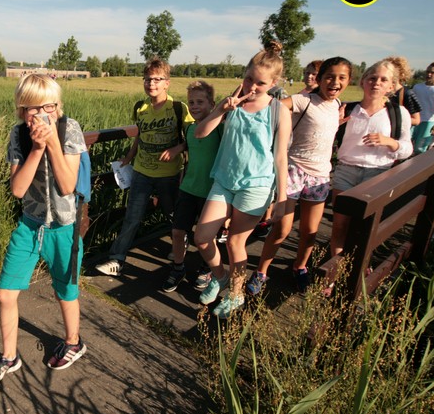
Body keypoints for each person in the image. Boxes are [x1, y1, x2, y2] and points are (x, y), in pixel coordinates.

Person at [0, 74, 87, 385]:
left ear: (58, 106)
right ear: (21, 109)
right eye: (31, 108)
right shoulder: (18, 135)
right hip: (30, 225)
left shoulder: (69, 128)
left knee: (65, 291)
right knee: (5, 293)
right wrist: (37, 149)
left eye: (48, 107)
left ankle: (73, 342)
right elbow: (17, 189)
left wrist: (52, 143)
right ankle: (9, 356)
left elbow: (67, 185)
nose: (40, 115)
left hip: (64, 228)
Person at [192, 42, 291, 318]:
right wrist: (221, 110)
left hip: (256, 185)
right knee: (202, 238)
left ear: (273, 83)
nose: (252, 87)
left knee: (236, 242)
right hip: (225, 179)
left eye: (260, 83)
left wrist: (281, 198)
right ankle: (220, 277)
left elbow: (281, 157)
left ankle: (236, 295)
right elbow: (200, 134)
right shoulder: (232, 103)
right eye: (249, 79)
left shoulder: (278, 111)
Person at [248, 57, 352, 294]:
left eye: (341, 78)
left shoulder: (337, 105)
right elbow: (269, 106)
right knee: (282, 229)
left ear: (348, 81)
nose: (335, 82)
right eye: (329, 77)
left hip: (320, 176)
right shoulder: (302, 100)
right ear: (320, 79)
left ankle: (300, 267)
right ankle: (261, 271)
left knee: (310, 232)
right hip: (294, 170)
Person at [94, 58, 192, 276]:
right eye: (147, 79)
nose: (151, 84)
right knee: (132, 217)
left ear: (167, 83)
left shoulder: (178, 108)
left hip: (169, 174)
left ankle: (180, 246)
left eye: (157, 79)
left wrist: (178, 148)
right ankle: (117, 259)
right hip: (141, 172)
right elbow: (140, 135)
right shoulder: (140, 107)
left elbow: (193, 136)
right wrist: (129, 157)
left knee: (173, 215)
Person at [330, 59, 412, 259]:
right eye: (372, 78)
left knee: (366, 228)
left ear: (391, 86)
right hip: (345, 171)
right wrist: (334, 125)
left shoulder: (397, 113)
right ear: (363, 81)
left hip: (378, 174)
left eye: (383, 80)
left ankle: (360, 268)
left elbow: (407, 149)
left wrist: (389, 142)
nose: (376, 83)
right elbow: (326, 140)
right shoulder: (348, 109)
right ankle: (336, 269)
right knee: (339, 225)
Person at [161, 81, 221, 293]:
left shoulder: (220, 128)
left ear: (212, 104)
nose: (194, 106)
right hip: (188, 188)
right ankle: (178, 268)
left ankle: (207, 268)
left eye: (200, 102)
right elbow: (192, 149)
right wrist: (180, 148)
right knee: (178, 231)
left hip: (211, 191)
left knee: (206, 237)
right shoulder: (190, 128)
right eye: (191, 102)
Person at [409, 62, 434, 154]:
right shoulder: (417, 87)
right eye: (427, 72)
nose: (429, 74)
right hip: (415, 119)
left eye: (432, 72)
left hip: (429, 121)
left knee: (420, 148)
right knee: (408, 143)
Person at [386, 56, 421, 127]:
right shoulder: (383, 91)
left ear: (401, 74)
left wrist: (394, 118)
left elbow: (416, 120)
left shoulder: (407, 93)